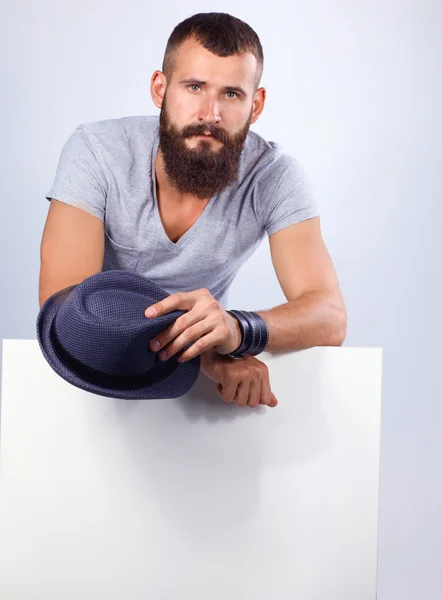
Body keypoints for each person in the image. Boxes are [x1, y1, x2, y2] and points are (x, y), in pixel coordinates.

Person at [39, 12, 347, 409]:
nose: (210, 114)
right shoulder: (97, 151)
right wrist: (208, 354)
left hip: (191, 401)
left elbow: (329, 315)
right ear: (159, 89)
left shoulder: (274, 176)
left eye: (231, 94)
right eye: (195, 87)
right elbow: (66, 310)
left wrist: (239, 331)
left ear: (256, 105)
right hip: (95, 374)